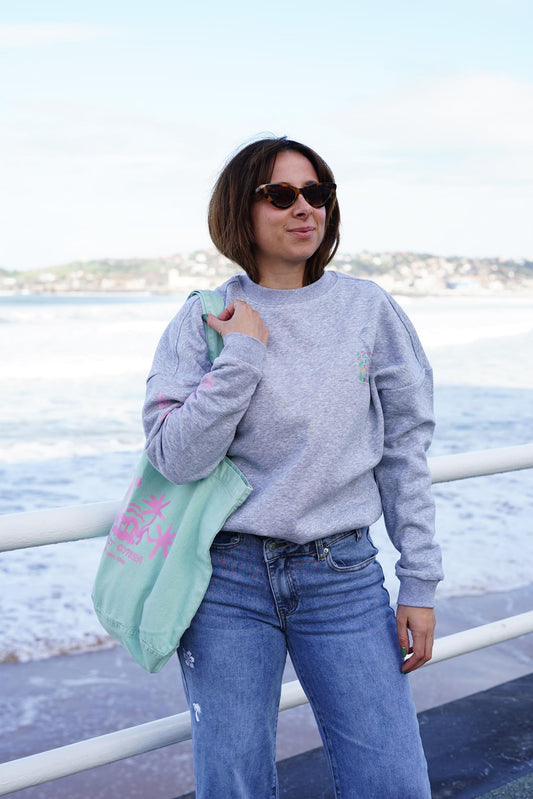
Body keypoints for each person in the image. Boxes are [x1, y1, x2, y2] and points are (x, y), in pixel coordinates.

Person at [142, 136, 443, 798]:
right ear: (240, 210)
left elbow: (404, 449)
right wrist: (242, 354)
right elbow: (174, 456)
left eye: (317, 193)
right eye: (280, 195)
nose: (304, 208)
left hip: (343, 576)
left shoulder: (367, 309)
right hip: (226, 581)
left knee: (391, 779)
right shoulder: (204, 318)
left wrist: (419, 581)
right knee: (234, 783)